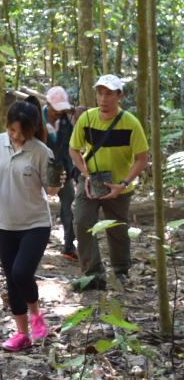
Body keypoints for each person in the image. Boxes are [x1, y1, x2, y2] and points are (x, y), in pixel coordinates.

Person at [0, 97, 64, 351]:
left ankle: (36, 314)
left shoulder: (40, 151)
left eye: (21, 132)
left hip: (35, 223)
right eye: (11, 129)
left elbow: (51, 191)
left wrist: (56, 176)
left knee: (21, 273)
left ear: (31, 130)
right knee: (11, 279)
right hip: (5, 223)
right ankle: (22, 334)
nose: (15, 136)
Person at [68, 75, 148, 291]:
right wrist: (85, 174)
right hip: (90, 183)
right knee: (82, 223)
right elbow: (73, 149)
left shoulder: (131, 123)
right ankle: (93, 276)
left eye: (109, 94)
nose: (103, 98)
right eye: (100, 93)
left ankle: (121, 272)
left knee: (118, 230)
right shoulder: (86, 118)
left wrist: (123, 183)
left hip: (119, 187)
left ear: (119, 96)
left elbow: (142, 158)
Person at [42, 86, 78, 262]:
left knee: (69, 206)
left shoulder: (69, 117)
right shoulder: (36, 119)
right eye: (56, 109)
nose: (59, 113)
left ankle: (69, 246)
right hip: (39, 168)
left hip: (64, 168)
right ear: (47, 104)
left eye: (62, 109)